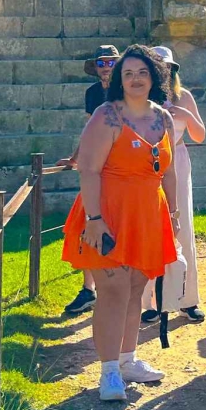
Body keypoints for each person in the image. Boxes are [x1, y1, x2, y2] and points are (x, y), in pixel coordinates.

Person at [61, 46, 180, 401]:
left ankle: (128, 360)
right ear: (119, 80)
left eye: (142, 72)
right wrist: (95, 221)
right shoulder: (106, 116)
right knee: (112, 292)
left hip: (147, 213)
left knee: (134, 289)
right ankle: (109, 371)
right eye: (128, 74)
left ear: (154, 76)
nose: (135, 79)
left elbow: (169, 171)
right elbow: (89, 170)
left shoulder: (164, 118)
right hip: (108, 213)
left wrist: (171, 215)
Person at [140, 46, 206, 325]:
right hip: (146, 163)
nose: (164, 73)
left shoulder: (184, 97)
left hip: (177, 159)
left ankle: (187, 300)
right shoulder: (140, 99)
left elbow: (200, 135)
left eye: (168, 69)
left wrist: (184, 114)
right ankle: (149, 303)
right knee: (147, 230)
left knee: (183, 229)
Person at [60, 44, 121, 317]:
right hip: (96, 167)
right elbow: (89, 130)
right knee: (85, 225)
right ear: (95, 66)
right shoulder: (93, 93)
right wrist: (74, 158)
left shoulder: (127, 90)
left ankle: (125, 291)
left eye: (111, 62)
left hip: (122, 168)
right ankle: (89, 289)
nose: (106, 67)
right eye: (101, 62)